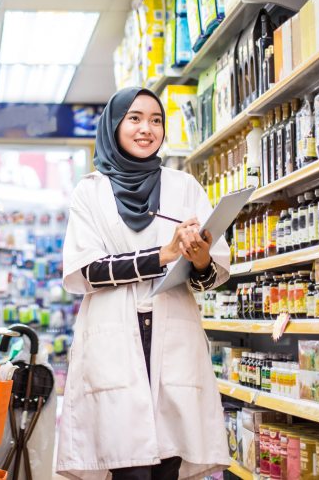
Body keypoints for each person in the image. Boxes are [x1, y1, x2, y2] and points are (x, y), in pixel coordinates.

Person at [57, 87, 232, 480]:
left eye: (156, 120)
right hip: (115, 336)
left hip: (173, 336)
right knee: (127, 462)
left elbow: (207, 278)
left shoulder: (184, 186)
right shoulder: (91, 191)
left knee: (169, 457)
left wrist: (199, 256)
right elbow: (87, 271)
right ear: (114, 125)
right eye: (134, 118)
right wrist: (163, 255)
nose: (146, 129)